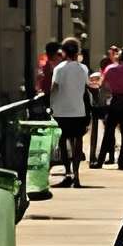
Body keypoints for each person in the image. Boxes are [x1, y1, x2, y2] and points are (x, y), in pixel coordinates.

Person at [47, 39, 93, 186]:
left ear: (64, 52)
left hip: (61, 110)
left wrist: (50, 103)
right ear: (77, 52)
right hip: (78, 109)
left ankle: (67, 172)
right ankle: (77, 174)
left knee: (63, 141)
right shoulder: (83, 69)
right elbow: (87, 85)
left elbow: (54, 88)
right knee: (77, 140)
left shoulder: (59, 69)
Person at [96, 45, 123, 166]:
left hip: (114, 102)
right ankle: (122, 160)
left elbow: (103, 85)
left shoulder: (110, 69)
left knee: (108, 132)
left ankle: (100, 160)